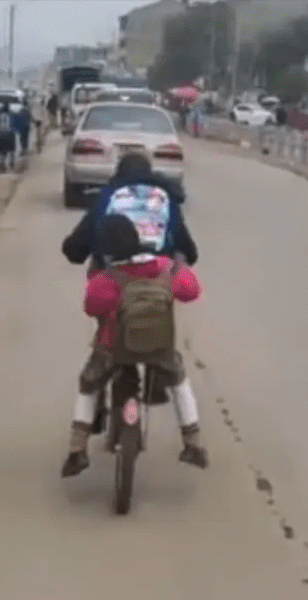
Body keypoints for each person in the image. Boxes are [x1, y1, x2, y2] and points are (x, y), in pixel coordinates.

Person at [61, 212, 206, 477]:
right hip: (159, 348)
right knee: (179, 380)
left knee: (89, 385)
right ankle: (193, 442)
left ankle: (77, 450)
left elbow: (90, 306)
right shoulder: (165, 269)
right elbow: (192, 291)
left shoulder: (106, 279)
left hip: (112, 348)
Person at [62, 153, 198, 274]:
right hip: (159, 278)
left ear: (118, 174)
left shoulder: (107, 196)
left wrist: (78, 250)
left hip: (113, 279)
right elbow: (189, 251)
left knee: (97, 277)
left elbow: (76, 248)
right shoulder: (165, 197)